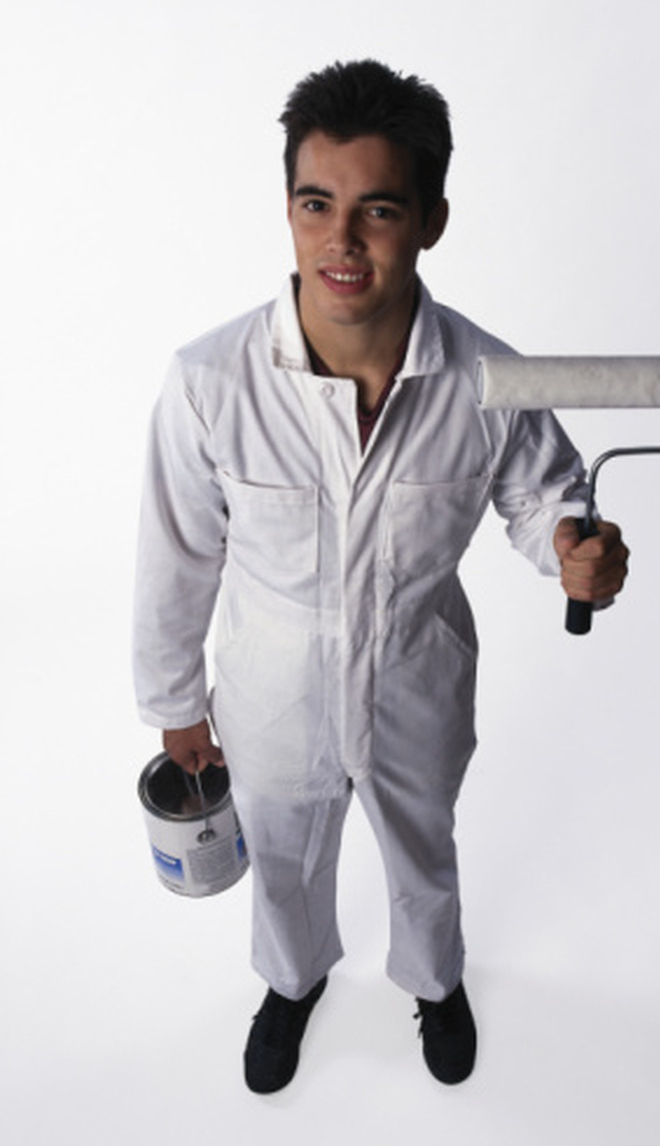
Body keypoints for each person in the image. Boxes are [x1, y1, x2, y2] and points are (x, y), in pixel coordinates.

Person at [133, 59, 629, 1094]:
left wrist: (571, 551)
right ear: (288, 207)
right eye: (317, 204)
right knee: (283, 854)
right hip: (271, 691)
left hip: (418, 678)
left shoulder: (491, 379)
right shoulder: (211, 383)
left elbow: (543, 497)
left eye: (380, 209)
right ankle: (293, 980)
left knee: (423, 849)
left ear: (431, 220)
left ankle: (435, 981)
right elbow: (177, 552)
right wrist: (175, 701)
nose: (342, 241)